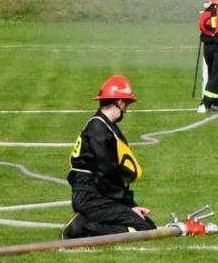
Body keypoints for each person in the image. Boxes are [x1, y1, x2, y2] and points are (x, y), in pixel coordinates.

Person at [63, 75, 156, 239]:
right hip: (91, 198)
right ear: (119, 102)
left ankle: (87, 222)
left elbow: (109, 175)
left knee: (147, 225)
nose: (126, 109)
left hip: (98, 194)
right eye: (126, 104)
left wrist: (131, 206)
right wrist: (127, 205)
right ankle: (81, 227)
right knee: (144, 228)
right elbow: (107, 174)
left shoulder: (104, 126)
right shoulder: (99, 131)